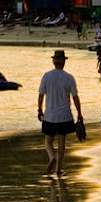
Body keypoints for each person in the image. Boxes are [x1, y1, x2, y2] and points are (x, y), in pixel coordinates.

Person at [38, 49, 84, 177]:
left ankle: (52, 157)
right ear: (64, 62)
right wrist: (79, 113)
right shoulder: (69, 78)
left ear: (53, 62)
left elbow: (41, 95)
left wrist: (39, 109)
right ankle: (58, 169)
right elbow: (75, 97)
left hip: (50, 115)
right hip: (64, 115)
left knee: (48, 142)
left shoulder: (46, 76)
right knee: (61, 144)